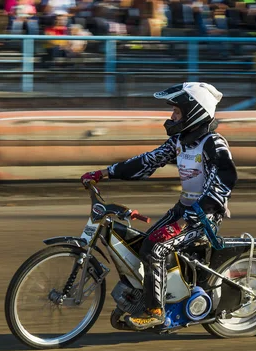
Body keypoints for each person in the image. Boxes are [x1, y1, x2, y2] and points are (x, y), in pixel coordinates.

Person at [80, 82, 238, 330]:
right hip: (183, 209)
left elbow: (223, 183)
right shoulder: (180, 141)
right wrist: (104, 173)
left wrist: (185, 222)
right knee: (144, 244)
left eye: (176, 112)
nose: (171, 117)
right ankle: (151, 298)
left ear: (194, 112)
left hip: (204, 217)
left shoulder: (213, 144)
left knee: (156, 249)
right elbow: (147, 161)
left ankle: (155, 311)